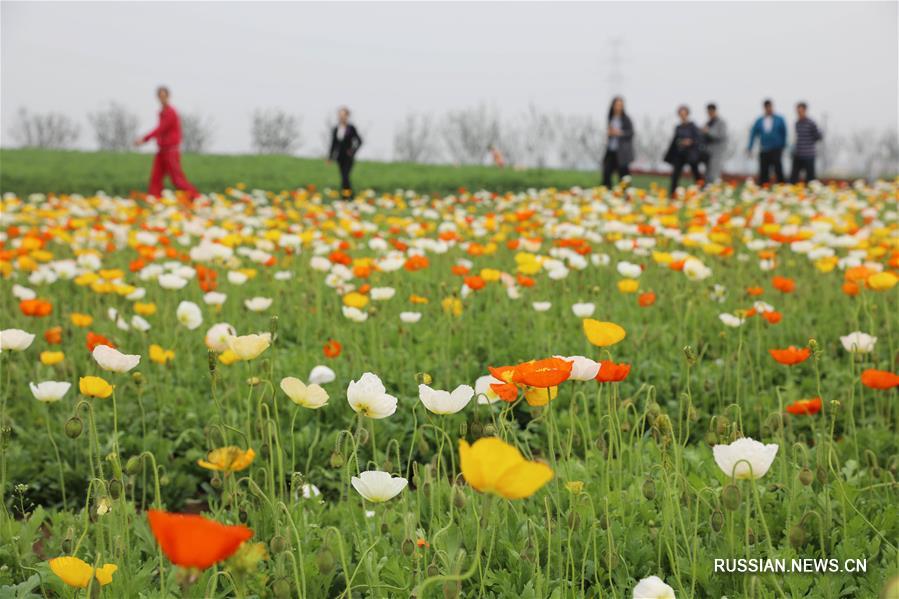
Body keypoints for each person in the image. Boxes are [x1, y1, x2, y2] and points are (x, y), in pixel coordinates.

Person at [134, 86, 198, 201]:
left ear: (168, 96)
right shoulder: (161, 112)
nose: (162, 99)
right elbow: (160, 130)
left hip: (171, 151)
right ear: (158, 98)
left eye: (164, 96)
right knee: (155, 179)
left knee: (177, 180)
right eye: (160, 96)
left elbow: (161, 129)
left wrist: (144, 139)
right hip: (161, 151)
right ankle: (154, 201)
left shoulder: (170, 112)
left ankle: (197, 198)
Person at [664, 105, 703, 195]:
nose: (682, 116)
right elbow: (675, 141)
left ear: (687, 114)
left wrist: (690, 141)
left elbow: (698, 139)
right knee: (675, 175)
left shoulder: (693, 126)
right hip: (680, 154)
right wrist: (680, 142)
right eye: (681, 114)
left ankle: (701, 192)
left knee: (696, 174)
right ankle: (672, 194)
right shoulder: (678, 127)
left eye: (684, 114)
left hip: (691, 154)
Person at [747, 99, 787, 184]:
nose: (769, 109)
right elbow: (753, 134)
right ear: (764, 108)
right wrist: (750, 147)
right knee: (763, 172)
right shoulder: (759, 121)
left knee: (778, 170)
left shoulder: (780, 119)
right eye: (767, 107)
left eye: (770, 107)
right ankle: (764, 187)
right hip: (764, 149)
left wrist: (783, 146)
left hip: (776, 149)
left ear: (772, 107)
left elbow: (784, 133)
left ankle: (782, 187)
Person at [327, 106, 363, 197]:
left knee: (345, 176)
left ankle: (347, 195)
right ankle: (347, 196)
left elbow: (359, 141)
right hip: (339, 157)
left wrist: (353, 150)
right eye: (340, 115)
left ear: (347, 116)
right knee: (343, 176)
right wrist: (330, 157)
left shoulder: (351, 128)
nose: (341, 117)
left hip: (348, 157)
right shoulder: (336, 129)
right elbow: (333, 144)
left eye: (343, 115)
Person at [601, 96, 634, 188]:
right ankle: (607, 191)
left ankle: (625, 193)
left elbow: (631, 133)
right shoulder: (610, 118)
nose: (618, 107)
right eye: (617, 105)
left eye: (620, 105)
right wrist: (609, 133)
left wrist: (619, 133)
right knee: (606, 173)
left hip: (622, 152)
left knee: (623, 176)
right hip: (610, 150)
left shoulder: (626, 119)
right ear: (613, 105)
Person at [791, 102, 823, 183]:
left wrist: (809, 142)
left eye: (801, 111)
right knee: (793, 178)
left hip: (809, 155)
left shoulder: (811, 123)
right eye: (798, 112)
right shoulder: (797, 123)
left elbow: (818, 136)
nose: (799, 113)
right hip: (798, 154)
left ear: (805, 111)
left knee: (810, 179)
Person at [701, 103, 728, 184]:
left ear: (715, 111)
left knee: (714, 174)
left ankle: (715, 190)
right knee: (707, 175)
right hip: (707, 152)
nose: (710, 114)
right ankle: (708, 190)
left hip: (717, 152)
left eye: (711, 112)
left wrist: (708, 132)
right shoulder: (707, 123)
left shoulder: (721, 123)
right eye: (708, 112)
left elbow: (721, 135)